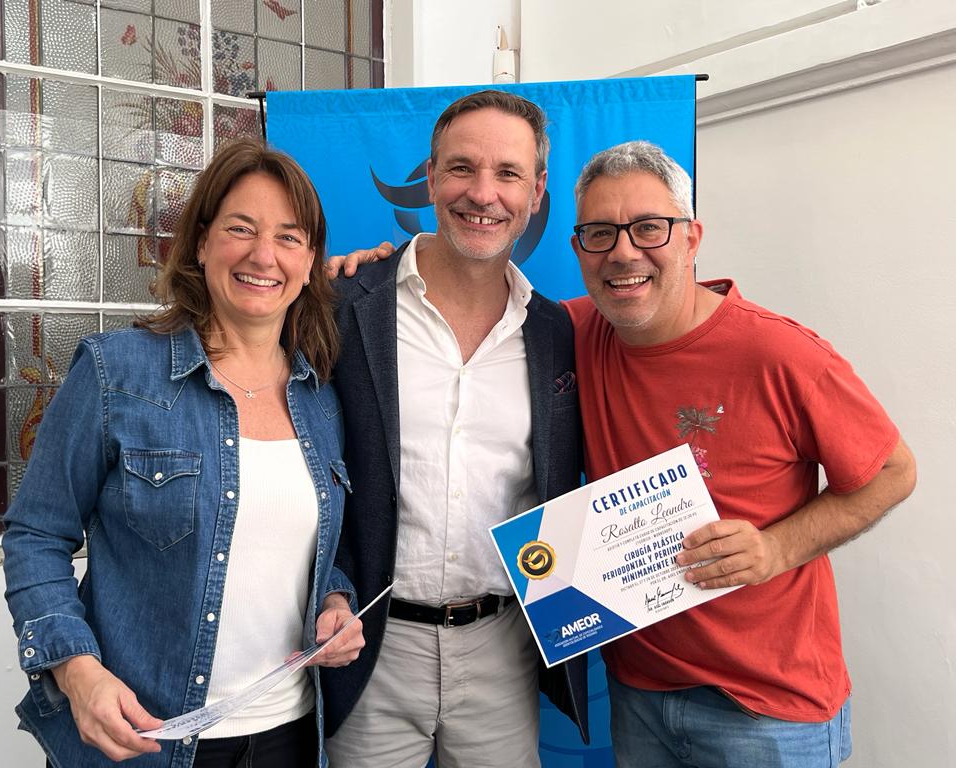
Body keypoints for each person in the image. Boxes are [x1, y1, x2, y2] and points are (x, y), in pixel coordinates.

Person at [1, 137, 363, 768]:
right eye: (241, 229)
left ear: (309, 263)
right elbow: (35, 534)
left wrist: (335, 604)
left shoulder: (321, 399)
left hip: (290, 734)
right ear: (200, 243)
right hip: (144, 740)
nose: (263, 255)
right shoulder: (116, 372)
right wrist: (77, 671)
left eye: (288, 237)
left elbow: (302, 554)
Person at [563, 140, 917, 768]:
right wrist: (381, 269)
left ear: (691, 239)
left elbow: (893, 471)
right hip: (639, 690)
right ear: (579, 249)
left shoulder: (781, 354)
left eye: (649, 227)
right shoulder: (571, 332)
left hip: (765, 708)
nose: (623, 252)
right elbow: (473, 305)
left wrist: (776, 548)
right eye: (600, 233)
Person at [321, 90, 589, 767]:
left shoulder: (556, 332)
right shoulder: (343, 304)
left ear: (536, 191)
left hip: (504, 645)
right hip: (372, 645)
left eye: (508, 173)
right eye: (463, 168)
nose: (483, 193)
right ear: (432, 176)